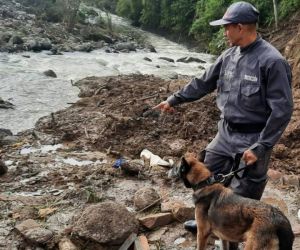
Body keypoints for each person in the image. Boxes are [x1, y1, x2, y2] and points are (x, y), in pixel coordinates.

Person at [154, 1, 293, 248]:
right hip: (225, 134)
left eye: (227, 27)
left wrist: (261, 147)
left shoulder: (272, 61)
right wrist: (174, 99)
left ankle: (240, 237)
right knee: (205, 178)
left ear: (240, 27)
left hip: (254, 138)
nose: (224, 32)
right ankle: (207, 222)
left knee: (242, 198)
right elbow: (203, 82)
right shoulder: (228, 55)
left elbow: (282, 111)